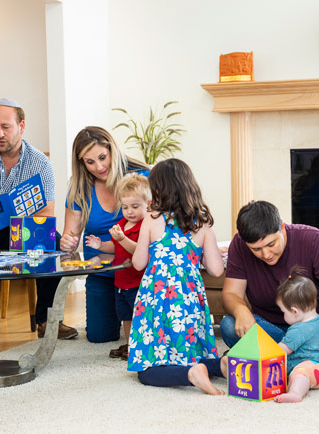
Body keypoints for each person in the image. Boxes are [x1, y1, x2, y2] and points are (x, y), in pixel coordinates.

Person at [0, 97, 77, 340]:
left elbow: (47, 212)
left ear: (22, 126)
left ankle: (47, 318)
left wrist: (19, 219)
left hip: (22, 230)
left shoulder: (40, 162)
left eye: (6, 127)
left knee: (55, 247)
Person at [127, 158, 225, 395]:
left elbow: (138, 263)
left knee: (147, 371)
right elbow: (216, 270)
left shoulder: (150, 219)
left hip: (156, 298)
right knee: (191, 354)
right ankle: (221, 366)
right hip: (188, 299)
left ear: (158, 190)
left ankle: (190, 375)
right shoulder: (202, 224)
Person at [220, 200, 319, 353]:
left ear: (282, 227)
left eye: (271, 244)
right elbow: (231, 293)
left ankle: (276, 356)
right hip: (269, 329)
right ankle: (310, 356)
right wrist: (241, 310)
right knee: (229, 324)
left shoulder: (313, 239)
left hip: (313, 327)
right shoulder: (239, 244)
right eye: (256, 249)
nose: (266, 254)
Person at [60, 126, 148, 343]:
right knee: (99, 336)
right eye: (90, 162)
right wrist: (67, 242)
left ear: (112, 151)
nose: (98, 167)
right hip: (102, 272)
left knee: (145, 333)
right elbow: (70, 238)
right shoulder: (79, 188)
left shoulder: (141, 178)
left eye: (102, 157)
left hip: (139, 274)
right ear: (82, 163)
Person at [84, 173, 150, 359]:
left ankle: (142, 345)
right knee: (126, 317)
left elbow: (141, 251)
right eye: (125, 207)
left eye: (135, 207)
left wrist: (123, 238)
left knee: (140, 316)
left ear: (148, 204)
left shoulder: (146, 226)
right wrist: (100, 245)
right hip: (121, 282)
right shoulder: (122, 223)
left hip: (138, 282)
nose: (129, 212)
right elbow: (115, 246)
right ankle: (130, 346)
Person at [272, 266, 319, 403]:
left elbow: (279, 351)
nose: (283, 315)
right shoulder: (318, 319)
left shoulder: (299, 330)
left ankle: (295, 393)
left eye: (283, 312)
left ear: (295, 311)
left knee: (301, 371)